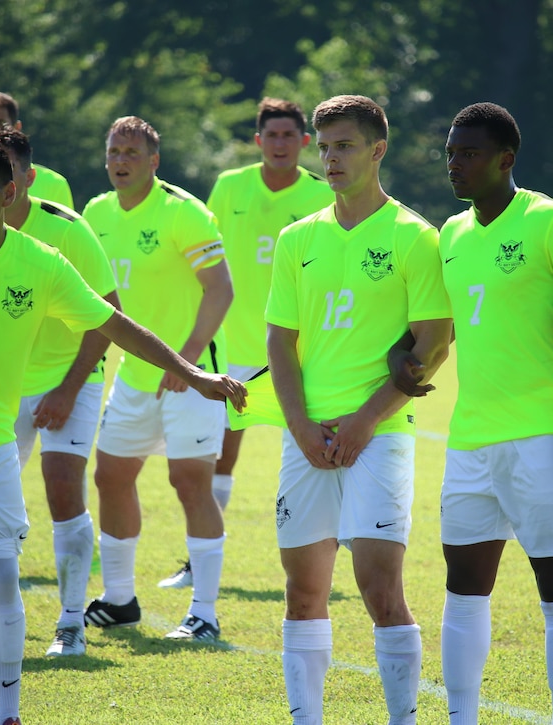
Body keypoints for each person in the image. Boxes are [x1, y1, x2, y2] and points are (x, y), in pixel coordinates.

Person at [0, 136, 245, 725]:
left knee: (3, 583)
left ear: (10, 193)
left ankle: (8, 713)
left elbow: (116, 324)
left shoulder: (40, 262)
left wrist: (193, 372)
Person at [265, 95, 452, 724]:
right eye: (324, 147)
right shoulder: (298, 238)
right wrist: (299, 426)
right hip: (307, 438)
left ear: (378, 150)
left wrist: (366, 418)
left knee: (379, 589)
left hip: (381, 435)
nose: (329, 158)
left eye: (343, 146)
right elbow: (280, 343)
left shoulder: (414, 236)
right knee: (303, 592)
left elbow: (434, 341)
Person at [423, 102, 553, 724]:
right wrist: (403, 358)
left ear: (506, 159)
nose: (455, 164)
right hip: (468, 440)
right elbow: (438, 329)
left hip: (541, 437)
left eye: (468, 153)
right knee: (462, 591)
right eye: (450, 153)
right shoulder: (450, 233)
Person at [0, 129, 119, 656]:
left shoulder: (68, 231)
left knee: (62, 492)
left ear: (25, 180)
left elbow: (108, 317)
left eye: (3, 174)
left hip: (69, 380)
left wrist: (67, 390)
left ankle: (72, 624)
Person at [146, 98, 337, 590]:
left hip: (298, 351)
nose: (279, 144)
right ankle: (198, 563)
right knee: (221, 458)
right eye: (270, 135)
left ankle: (335, 544)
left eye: (288, 136)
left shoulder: (321, 196)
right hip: (232, 345)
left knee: (322, 447)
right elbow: (205, 262)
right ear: (258, 141)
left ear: (304, 143)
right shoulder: (230, 186)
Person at [82, 116, 234, 640]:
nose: (119, 161)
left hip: (192, 375)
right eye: (113, 151)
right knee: (110, 476)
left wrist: (187, 362)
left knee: (190, 483)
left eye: (130, 152)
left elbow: (221, 289)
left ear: (153, 161)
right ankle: (120, 599)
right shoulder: (96, 213)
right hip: (133, 374)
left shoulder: (183, 213)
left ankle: (205, 613)